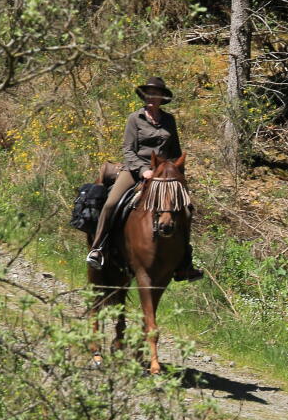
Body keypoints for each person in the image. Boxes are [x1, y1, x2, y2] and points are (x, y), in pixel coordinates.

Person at [86, 76, 202, 277]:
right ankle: (98, 248)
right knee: (111, 203)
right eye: (148, 93)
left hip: (163, 174)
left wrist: (176, 176)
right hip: (135, 169)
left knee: (187, 210)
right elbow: (128, 150)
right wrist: (142, 170)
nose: (151, 97)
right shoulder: (135, 118)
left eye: (155, 93)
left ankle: (185, 261)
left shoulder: (169, 120)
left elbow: (175, 151)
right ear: (144, 96)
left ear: (162, 97)